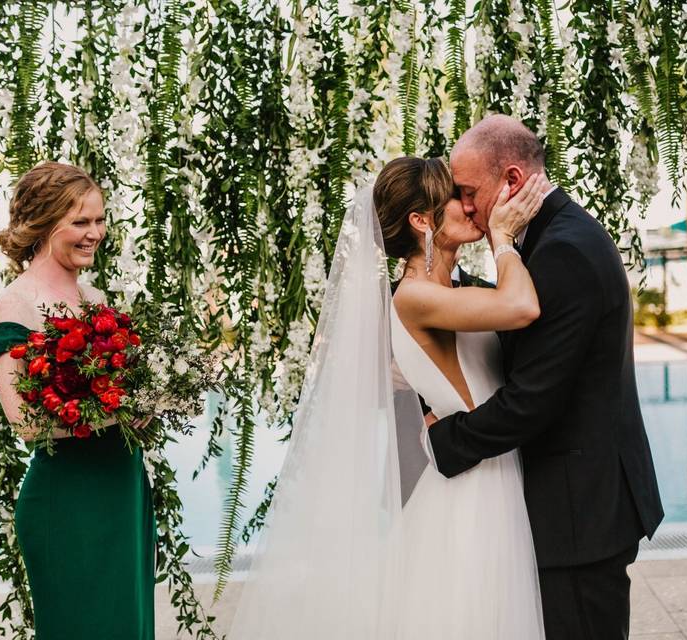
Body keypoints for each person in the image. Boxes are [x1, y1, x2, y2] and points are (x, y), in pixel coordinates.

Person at [227, 156, 550, 639]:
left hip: (488, 474)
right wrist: (502, 239)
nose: (470, 205)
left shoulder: (452, 293)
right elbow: (522, 306)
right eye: (455, 199)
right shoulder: (413, 297)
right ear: (422, 221)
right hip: (467, 491)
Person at [426, 114, 665, 639]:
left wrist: (438, 443)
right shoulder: (553, 235)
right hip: (574, 505)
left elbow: (532, 400)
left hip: (578, 512)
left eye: (468, 192)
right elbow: (510, 324)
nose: (464, 206)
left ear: (511, 181)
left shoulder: (563, 251)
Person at [0, 162, 155, 639]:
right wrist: (116, 410)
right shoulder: (15, 304)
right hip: (69, 503)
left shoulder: (94, 297)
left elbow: (119, 396)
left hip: (123, 492)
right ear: (42, 224)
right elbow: (26, 424)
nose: (94, 233)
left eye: (99, 221)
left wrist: (153, 401)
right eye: (80, 222)